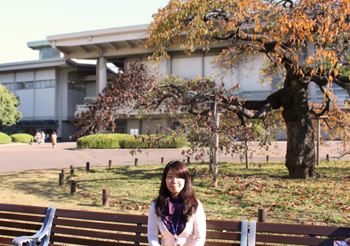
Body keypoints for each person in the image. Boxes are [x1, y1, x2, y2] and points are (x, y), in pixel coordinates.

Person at [147, 160, 206, 246]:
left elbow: (200, 238)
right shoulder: (156, 206)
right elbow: (152, 236)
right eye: (170, 176)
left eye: (178, 177)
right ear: (165, 179)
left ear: (185, 180)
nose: (174, 181)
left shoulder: (194, 205)